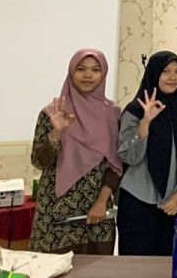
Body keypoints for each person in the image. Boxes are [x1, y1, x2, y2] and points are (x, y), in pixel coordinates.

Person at [28, 49, 123, 255]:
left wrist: (101, 202)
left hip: (97, 214)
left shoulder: (113, 113)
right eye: (81, 69)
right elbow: (38, 161)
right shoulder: (52, 112)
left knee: (98, 268)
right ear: (71, 72)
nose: (88, 75)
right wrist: (56, 133)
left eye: (95, 70)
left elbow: (117, 164)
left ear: (103, 74)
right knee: (52, 268)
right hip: (55, 214)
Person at [116, 51, 177, 256]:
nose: (173, 77)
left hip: (171, 203)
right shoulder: (135, 110)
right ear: (154, 73)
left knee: (166, 264)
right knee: (137, 265)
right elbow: (128, 156)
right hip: (137, 200)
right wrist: (145, 122)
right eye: (166, 71)